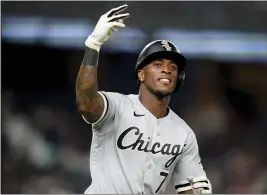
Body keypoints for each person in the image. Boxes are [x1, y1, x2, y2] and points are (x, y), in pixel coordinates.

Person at [75, 4, 212, 194]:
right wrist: (93, 46)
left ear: (179, 78)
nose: (166, 69)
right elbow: (86, 103)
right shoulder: (117, 106)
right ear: (141, 74)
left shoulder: (184, 134)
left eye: (173, 67)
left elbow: (190, 188)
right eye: (157, 64)